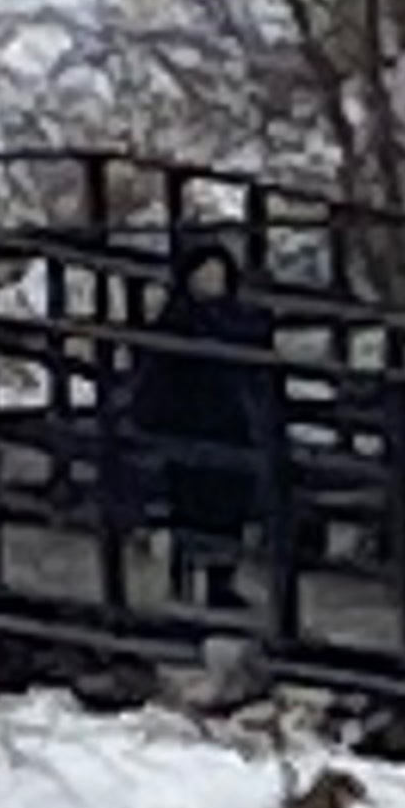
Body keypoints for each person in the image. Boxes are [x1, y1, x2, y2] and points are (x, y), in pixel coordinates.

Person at [124, 238, 287, 609]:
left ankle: (220, 581)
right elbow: (155, 382)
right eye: (205, 277)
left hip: (232, 427)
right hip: (190, 428)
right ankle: (186, 579)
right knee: (191, 508)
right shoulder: (178, 324)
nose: (213, 284)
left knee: (230, 509)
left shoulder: (239, 321)